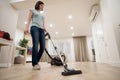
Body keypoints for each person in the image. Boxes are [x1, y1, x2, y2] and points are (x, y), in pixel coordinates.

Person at [24, 1, 48, 70]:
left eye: (43, 6)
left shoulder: (43, 15)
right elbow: (28, 20)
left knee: (43, 47)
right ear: (38, 5)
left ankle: (35, 61)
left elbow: (43, 25)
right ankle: (35, 64)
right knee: (36, 45)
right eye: (42, 5)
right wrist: (26, 28)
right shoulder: (32, 10)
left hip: (41, 30)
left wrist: (46, 30)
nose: (43, 7)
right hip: (34, 28)